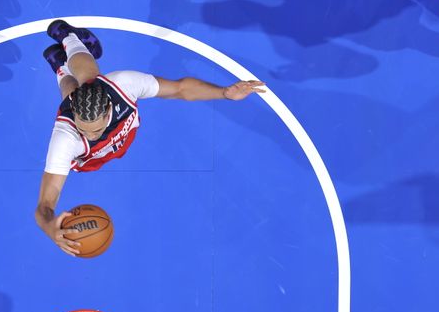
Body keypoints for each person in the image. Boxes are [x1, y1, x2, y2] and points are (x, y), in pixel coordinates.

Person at [34, 20, 266, 256]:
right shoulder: (66, 137)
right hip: (91, 154)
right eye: (83, 129)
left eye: (94, 129)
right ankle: (64, 54)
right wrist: (48, 226)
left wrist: (224, 93)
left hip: (104, 99)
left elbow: (180, 89)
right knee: (74, 89)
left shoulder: (124, 85)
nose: (89, 134)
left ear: (108, 110)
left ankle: (66, 44)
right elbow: (45, 203)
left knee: (91, 77)